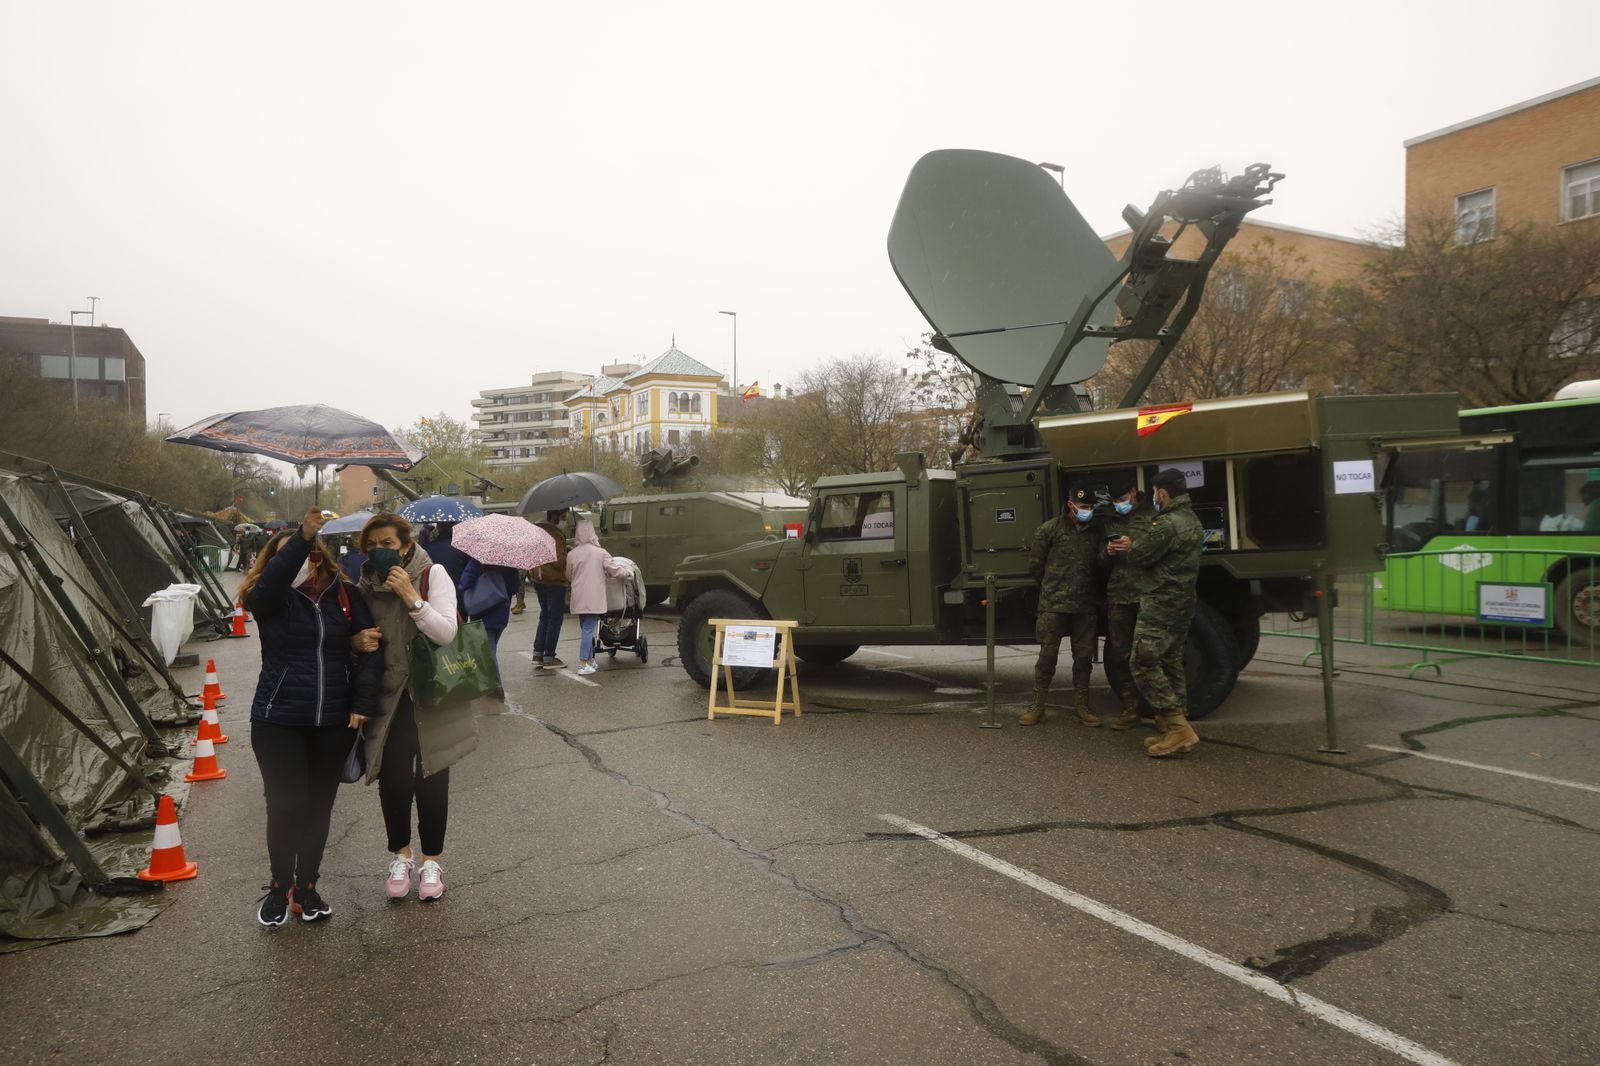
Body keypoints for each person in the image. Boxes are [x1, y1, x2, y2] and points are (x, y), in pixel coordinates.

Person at [243, 506, 382, 928]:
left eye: (308, 553)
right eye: (289, 555)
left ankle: (306, 886)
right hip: (278, 719)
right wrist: (301, 538)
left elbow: (371, 647)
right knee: (285, 806)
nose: (302, 562)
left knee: (319, 808)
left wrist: (362, 703)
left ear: (320, 558)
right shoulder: (269, 598)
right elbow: (269, 586)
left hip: (333, 720)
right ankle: (279, 885)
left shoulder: (344, 594)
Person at [349, 512, 477, 902]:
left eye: (387, 544)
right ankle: (400, 856)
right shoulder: (364, 585)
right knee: (394, 782)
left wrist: (411, 597)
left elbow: (447, 633)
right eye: (372, 546)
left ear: (406, 545)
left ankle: (431, 862)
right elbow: (354, 636)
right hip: (390, 696)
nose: (379, 551)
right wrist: (354, 642)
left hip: (432, 691)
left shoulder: (432, 574)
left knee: (432, 778)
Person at [1111, 467, 1205, 758]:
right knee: (1170, 660)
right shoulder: (1191, 519)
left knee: (1142, 660)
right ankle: (1174, 724)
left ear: (1162, 493)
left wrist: (1131, 545)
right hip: (1182, 600)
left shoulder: (1166, 524)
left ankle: (1177, 727)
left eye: (1154, 493)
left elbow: (1140, 555)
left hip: (1161, 602)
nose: (1154, 497)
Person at [1021, 481, 1106, 727]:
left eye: (1091, 506)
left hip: (1084, 606)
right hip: (1053, 605)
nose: (1088, 510)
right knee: (1047, 657)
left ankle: (1082, 706)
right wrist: (1053, 588)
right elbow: (1035, 566)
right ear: (1070, 504)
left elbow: (1101, 565)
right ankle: (1037, 706)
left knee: (1083, 659)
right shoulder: (1049, 530)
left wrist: (1109, 553)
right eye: (1083, 506)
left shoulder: (1096, 532)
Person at [1102, 475, 1154, 732]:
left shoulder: (1153, 516)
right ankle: (1130, 709)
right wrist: (1107, 552)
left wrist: (1135, 546)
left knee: (1150, 655)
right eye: (1114, 501)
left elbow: (1163, 550)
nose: (1118, 504)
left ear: (1133, 492)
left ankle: (1161, 711)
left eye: (1122, 499)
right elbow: (1098, 561)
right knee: (1121, 655)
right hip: (1119, 596)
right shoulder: (1110, 520)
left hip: (1147, 594)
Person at [565, 518, 628, 676]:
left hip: (578, 596)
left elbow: (568, 576)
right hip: (594, 597)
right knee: (588, 629)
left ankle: (590, 659)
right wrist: (627, 573)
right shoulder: (600, 553)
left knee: (585, 628)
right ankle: (583, 663)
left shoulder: (572, 554)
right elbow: (615, 570)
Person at [530, 508, 571, 671]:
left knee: (544, 615)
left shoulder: (536, 530)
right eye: (563, 516)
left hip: (538, 578)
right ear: (554, 516)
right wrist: (567, 553)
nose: (565, 519)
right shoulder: (555, 534)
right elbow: (558, 562)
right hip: (554, 580)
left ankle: (538, 654)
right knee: (554, 619)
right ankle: (549, 657)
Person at [458, 556, 521, 661]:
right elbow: (514, 588)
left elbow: (464, 583)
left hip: (481, 613)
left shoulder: (478, 560)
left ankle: (494, 673)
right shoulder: (508, 562)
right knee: (491, 651)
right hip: (501, 613)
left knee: (488, 656)